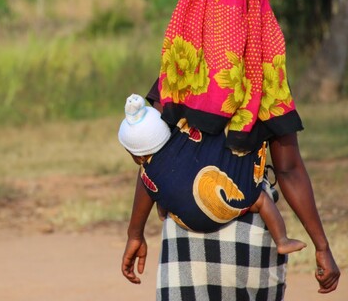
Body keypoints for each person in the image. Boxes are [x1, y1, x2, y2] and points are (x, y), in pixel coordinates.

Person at [120, 0, 340, 300]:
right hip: (250, 236)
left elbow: (154, 160)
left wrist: (136, 233)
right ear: (257, 18)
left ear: (199, 12)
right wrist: (321, 246)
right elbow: (289, 169)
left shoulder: (178, 77)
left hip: (184, 237)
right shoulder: (267, 85)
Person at [118, 93, 306, 255]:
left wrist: (135, 233)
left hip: (186, 222)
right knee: (260, 200)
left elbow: (150, 190)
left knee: (163, 193)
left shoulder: (147, 173)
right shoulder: (179, 143)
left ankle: (165, 204)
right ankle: (282, 241)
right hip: (228, 208)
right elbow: (289, 169)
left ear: (136, 155)